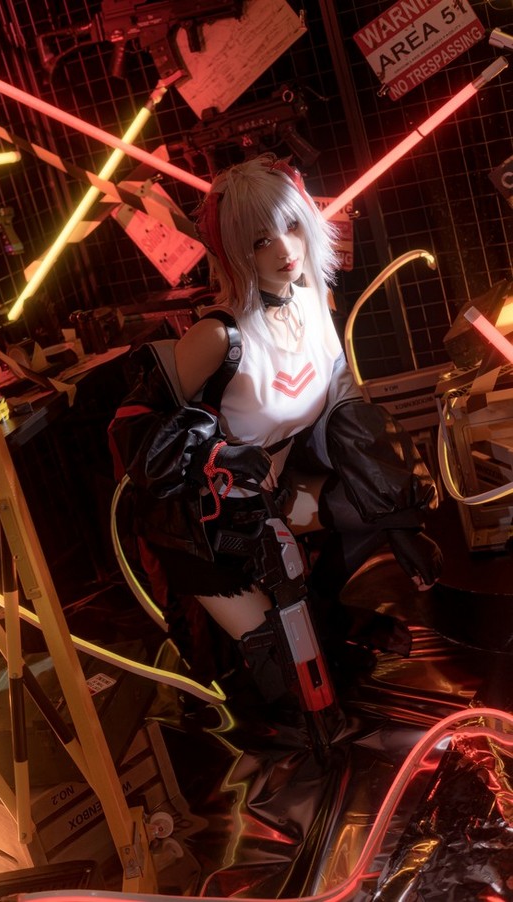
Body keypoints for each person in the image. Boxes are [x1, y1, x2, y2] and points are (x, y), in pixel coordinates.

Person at [109, 154, 442, 738]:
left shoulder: (313, 302)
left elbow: (345, 408)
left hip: (274, 500)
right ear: (234, 250)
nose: (284, 249)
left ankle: (324, 610)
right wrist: (213, 454)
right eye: (260, 240)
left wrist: (399, 521)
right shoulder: (220, 336)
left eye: (291, 226)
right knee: (290, 676)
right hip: (204, 530)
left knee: (364, 511)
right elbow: (133, 430)